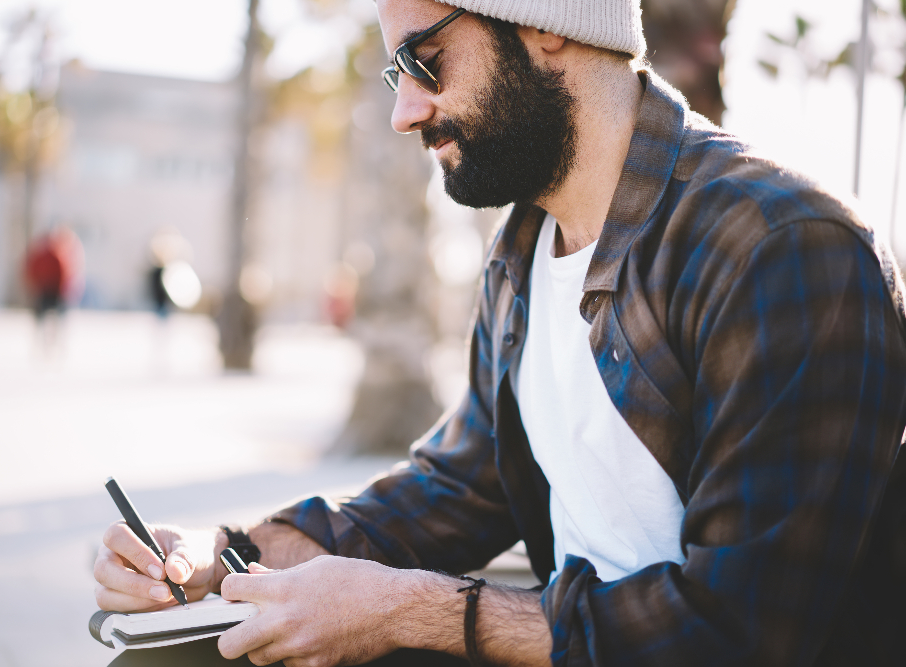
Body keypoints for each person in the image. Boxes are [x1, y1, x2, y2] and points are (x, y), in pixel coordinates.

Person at [94, 2, 906, 666]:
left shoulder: (781, 248)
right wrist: (228, 552)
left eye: (424, 61)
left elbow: (738, 632)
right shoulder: (523, 250)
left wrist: (410, 610)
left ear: (547, 23)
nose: (405, 112)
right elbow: (459, 485)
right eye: (394, 74)